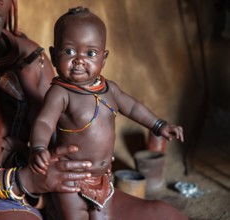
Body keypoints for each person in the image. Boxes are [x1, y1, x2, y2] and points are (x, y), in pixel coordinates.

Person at [0, 1, 188, 220]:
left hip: (67, 193)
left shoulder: (29, 54)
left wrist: (88, 155)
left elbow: (64, 124)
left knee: (164, 214)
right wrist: (22, 180)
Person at [29, 6, 184, 220]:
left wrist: (158, 125)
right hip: (70, 177)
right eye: (69, 51)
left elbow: (133, 107)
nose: (79, 60)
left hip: (103, 178)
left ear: (104, 58)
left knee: (103, 217)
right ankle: (53, 208)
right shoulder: (60, 93)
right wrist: (38, 147)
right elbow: (44, 123)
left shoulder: (110, 89)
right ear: (54, 56)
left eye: (90, 53)